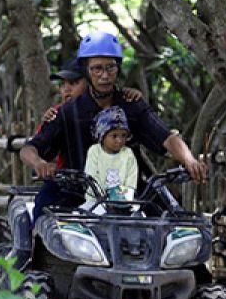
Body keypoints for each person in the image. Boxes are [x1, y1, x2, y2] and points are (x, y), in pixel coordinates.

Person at [19, 30, 207, 219]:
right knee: (42, 220)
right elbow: (29, 149)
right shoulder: (67, 112)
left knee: (173, 222)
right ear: (86, 71)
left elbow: (166, 137)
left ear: (118, 68)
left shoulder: (132, 104)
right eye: (97, 69)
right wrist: (39, 163)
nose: (104, 75)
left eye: (111, 67)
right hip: (74, 193)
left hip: (129, 195)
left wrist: (189, 160)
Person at [84, 106, 137, 205]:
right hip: (96, 201)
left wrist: (123, 197)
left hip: (123, 202)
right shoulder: (95, 151)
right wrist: (105, 198)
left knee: (140, 216)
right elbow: (91, 178)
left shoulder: (128, 153)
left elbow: (131, 182)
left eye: (123, 135)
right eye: (114, 136)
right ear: (102, 135)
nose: (119, 140)